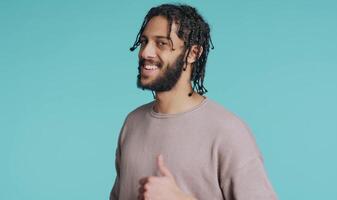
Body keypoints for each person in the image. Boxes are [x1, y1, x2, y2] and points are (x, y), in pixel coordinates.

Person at [110, 3, 277, 200]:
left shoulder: (227, 131)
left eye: (161, 43)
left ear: (193, 53)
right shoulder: (132, 122)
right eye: (144, 42)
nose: (146, 52)